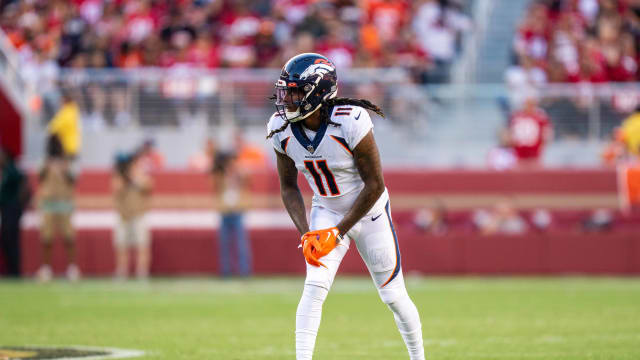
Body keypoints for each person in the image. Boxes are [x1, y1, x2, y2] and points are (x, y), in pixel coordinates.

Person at [267, 53, 424, 360]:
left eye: (296, 90)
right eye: (286, 90)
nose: (287, 98)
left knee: (393, 295)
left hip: (370, 212)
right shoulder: (280, 128)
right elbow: (288, 187)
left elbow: (375, 184)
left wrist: (337, 233)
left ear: (319, 91)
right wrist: (307, 234)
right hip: (326, 209)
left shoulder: (350, 121)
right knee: (314, 287)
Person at [36, 137, 79, 282]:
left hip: (64, 203)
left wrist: (64, 168)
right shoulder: (45, 162)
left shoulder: (67, 162)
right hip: (48, 203)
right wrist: (47, 165)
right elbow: (40, 177)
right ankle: (46, 268)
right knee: (46, 238)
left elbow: (73, 179)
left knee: (69, 237)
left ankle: (72, 268)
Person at [211, 151, 252, 278]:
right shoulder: (221, 176)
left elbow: (247, 186)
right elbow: (216, 189)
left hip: (237, 212)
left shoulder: (240, 175)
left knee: (241, 245)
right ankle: (226, 272)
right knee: (225, 245)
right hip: (225, 212)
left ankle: (244, 272)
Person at [112, 153, 153, 280]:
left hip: (138, 215)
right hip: (123, 216)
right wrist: (125, 178)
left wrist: (135, 178)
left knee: (142, 245)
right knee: (121, 245)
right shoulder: (119, 176)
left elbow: (149, 187)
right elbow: (116, 189)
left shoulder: (139, 174)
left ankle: (142, 272)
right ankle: (122, 271)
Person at [0, 148, 30, 277]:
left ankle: (15, 271)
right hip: (6, 210)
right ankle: (11, 270)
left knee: (11, 239)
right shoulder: (5, 171)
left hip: (12, 209)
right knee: (7, 239)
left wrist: (20, 202)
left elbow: (24, 181)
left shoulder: (12, 169)